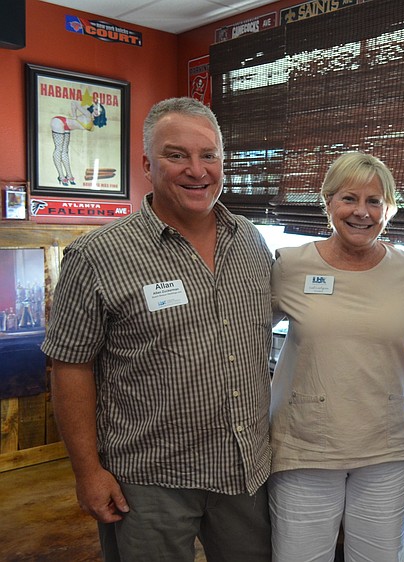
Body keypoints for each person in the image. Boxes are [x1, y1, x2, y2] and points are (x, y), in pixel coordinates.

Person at [41, 97, 274, 562]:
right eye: (176, 155)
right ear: (148, 165)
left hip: (245, 471)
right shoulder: (99, 255)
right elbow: (69, 365)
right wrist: (87, 472)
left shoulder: (249, 239)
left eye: (208, 155)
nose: (197, 169)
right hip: (149, 481)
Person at [268, 151, 404, 562]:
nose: (362, 212)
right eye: (349, 199)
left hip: (388, 447)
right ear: (328, 202)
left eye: (375, 201)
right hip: (306, 446)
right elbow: (242, 338)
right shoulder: (290, 265)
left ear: (389, 209)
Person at [50, 96, 107, 186]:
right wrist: (74, 115)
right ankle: (61, 176)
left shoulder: (92, 119)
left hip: (67, 127)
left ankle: (69, 175)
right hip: (59, 122)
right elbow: (74, 102)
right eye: (96, 109)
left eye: (99, 111)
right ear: (93, 108)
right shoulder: (88, 114)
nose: (97, 112)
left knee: (65, 151)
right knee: (59, 149)